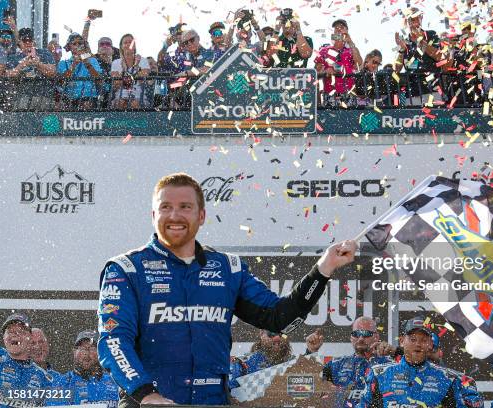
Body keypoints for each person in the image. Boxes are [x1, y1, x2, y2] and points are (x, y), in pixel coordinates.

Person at [97, 172, 357, 406]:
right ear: (154, 215)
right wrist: (147, 395)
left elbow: (279, 318)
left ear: (201, 216)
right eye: (166, 207)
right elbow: (114, 341)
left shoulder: (228, 269)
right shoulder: (126, 269)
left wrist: (323, 268)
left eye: (185, 207)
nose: (175, 215)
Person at [359, 316, 484, 407]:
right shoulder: (378, 374)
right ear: (402, 341)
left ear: (430, 344)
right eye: (413, 339)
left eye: (423, 340)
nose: (418, 344)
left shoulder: (450, 379)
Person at [307, 317, 390, 407]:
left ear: (376, 337)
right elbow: (308, 384)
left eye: (366, 334)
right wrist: (312, 352)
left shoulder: (389, 365)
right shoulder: (336, 364)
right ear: (351, 337)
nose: (361, 338)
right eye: (356, 334)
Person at [394, 7, 449, 105]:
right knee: (413, 120)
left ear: (421, 18)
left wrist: (420, 41)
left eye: (418, 18)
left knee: (434, 119)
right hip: (412, 93)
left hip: (433, 90)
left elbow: (440, 57)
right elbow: (397, 69)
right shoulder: (405, 41)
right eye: (412, 19)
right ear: (406, 22)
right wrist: (401, 50)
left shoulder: (431, 35)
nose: (415, 22)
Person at [0, 313, 54, 408]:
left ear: (30, 337)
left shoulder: (43, 378)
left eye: (19, 331)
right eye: (10, 332)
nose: (14, 335)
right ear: (4, 337)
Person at [52, 331, 119, 407]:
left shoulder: (115, 381)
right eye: (82, 348)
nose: (86, 353)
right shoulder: (62, 383)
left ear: (100, 352)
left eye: (92, 348)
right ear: (74, 352)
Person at [314, 19, 363, 107]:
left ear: (347, 31)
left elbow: (359, 65)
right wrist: (325, 71)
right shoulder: (324, 50)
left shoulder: (351, 50)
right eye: (336, 28)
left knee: (351, 119)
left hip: (349, 94)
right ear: (333, 33)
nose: (339, 29)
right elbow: (315, 72)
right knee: (331, 119)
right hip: (330, 94)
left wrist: (350, 42)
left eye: (342, 27)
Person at [5, 28, 55, 110]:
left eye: (30, 40)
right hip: (22, 99)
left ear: (34, 41)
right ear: (19, 42)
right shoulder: (13, 57)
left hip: (44, 98)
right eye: (24, 40)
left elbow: (52, 72)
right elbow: (8, 75)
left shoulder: (44, 53)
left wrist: (38, 64)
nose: (28, 43)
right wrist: (22, 65)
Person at [229, 330, 295, 389]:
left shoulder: (294, 362)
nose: (277, 338)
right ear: (261, 334)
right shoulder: (242, 363)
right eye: (272, 333)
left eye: (282, 333)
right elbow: (227, 389)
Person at [57, 33, 102, 110]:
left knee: (86, 104)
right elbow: (61, 82)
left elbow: (99, 80)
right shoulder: (63, 63)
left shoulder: (92, 60)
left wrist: (87, 64)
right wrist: (74, 64)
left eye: (80, 43)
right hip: (69, 99)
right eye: (74, 43)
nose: (77, 45)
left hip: (89, 98)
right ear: (69, 47)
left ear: (83, 45)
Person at [111, 33, 150, 109]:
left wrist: (135, 67)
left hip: (139, 96)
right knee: (121, 103)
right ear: (121, 47)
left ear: (134, 45)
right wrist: (125, 70)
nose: (128, 44)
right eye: (125, 43)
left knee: (134, 104)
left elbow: (143, 79)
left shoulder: (143, 60)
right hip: (120, 96)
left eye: (130, 42)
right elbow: (116, 84)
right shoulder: (116, 62)